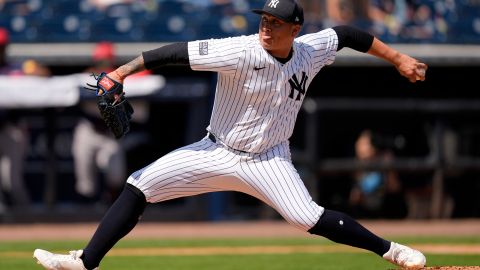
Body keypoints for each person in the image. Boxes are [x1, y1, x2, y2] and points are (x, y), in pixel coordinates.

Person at [33, 0, 428, 269]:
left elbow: (348, 34)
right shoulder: (241, 50)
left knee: (307, 217)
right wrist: (120, 73)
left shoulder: (310, 49)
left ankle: (391, 251)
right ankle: (85, 262)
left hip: (270, 159)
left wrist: (398, 59)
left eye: (275, 23)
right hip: (215, 150)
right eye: (263, 20)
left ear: (295, 29)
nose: (266, 28)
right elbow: (173, 53)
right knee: (140, 184)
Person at [72, 42, 127, 205]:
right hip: (88, 129)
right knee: (84, 179)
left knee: (115, 176)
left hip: (110, 131)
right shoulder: (87, 77)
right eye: (100, 60)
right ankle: (85, 211)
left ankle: (110, 206)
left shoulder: (120, 77)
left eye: (106, 60)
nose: (103, 63)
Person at [0, 27, 31, 215]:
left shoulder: (16, 69)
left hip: (12, 128)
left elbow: (41, 78)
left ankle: (26, 218)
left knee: (11, 180)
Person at [349, 129, 405, 218]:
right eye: (360, 143)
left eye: (365, 144)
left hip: (385, 211)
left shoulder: (384, 160)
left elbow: (395, 188)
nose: (360, 147)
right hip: (364, 212)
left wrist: (388, 167)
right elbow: (354, 198)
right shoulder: (356, 165)